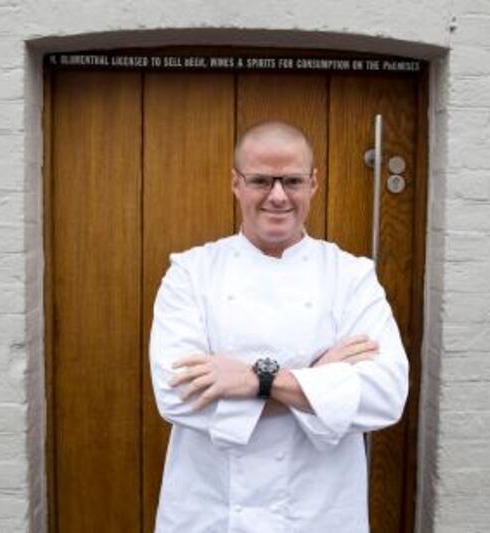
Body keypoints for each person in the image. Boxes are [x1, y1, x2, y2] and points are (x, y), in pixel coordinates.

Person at [149, 120, 409, 532]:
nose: (277, 196)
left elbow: (384, 395)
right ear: (236, 183)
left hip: (317, 511)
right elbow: (176, 393)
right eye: (260, 181)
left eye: (291, 180)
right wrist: (321, 382)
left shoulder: (351, 276)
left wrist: (257, 381)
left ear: (313, 183)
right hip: (212, 509)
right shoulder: (191, 273)